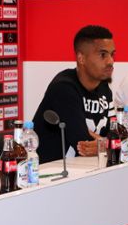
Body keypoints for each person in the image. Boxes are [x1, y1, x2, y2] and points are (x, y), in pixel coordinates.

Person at [32, 25, 116, 163]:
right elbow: (82, 144)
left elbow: (117, 135)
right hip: (50, 174)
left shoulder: (104, 88)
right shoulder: (64, 88)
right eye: (103, 55)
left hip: (85, 170)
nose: (110, 61)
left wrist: (103, 143)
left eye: (112, 54)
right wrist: (107, 143)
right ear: (81, 58)